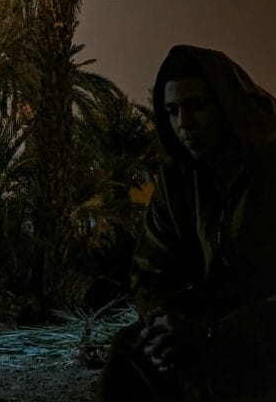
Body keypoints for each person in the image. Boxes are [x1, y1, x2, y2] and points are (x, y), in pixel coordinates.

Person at [99, 44, 276, 401]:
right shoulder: (177, 182)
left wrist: (214, 332)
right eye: (173, 111)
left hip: (260, 330)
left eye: (197, 106)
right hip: (199, 329)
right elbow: (151, 271)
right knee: (128, 353)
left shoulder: (270, 170)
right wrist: (164, 324)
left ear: (227, 105)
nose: (185, 124)